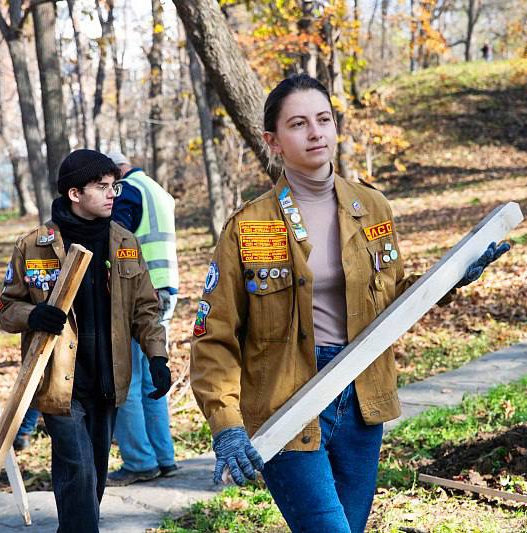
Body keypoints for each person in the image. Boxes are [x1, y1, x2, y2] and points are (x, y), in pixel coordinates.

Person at [189, 74, 510, 533]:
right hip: (287, 399)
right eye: (298, 124)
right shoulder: (249, 224)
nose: (316, 132)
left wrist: (452, 278)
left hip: (362, 398)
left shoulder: (372, 206)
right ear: (273, 141)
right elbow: (214, 335)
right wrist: (227, 425)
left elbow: (392, 297)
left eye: (324, 119)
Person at [0, 149, 170, 533]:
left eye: (115, 186)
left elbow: (145, 307)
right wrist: (33, 314)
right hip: (60, 386)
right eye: (103, 187)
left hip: (107, 383)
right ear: (75, 194)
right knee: (76, 469)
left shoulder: (124, 241)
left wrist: (157, 357)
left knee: (94, 476)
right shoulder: (35, 245)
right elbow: (6, 308)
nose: (114, 194)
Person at [106, 151, 179, 486]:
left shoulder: (127, 190)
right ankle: (163, 457)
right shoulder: (156, 189)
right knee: (152, 380)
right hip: (165, 289)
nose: (108, 189)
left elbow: (115, 235)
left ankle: (139, 461)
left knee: (129, 380)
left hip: (139, 293)